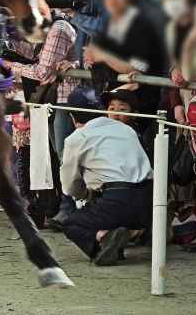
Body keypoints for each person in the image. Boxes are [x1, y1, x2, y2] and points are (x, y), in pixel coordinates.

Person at [60, 87, 153, 266]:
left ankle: (102, 241)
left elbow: (70, 186)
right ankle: (130, 231)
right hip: (149, 201)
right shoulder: (127, 130)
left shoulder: (76, 138)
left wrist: (87, 195)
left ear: (71, 117)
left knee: (72, 223)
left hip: (116, 200)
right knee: (105, 206)